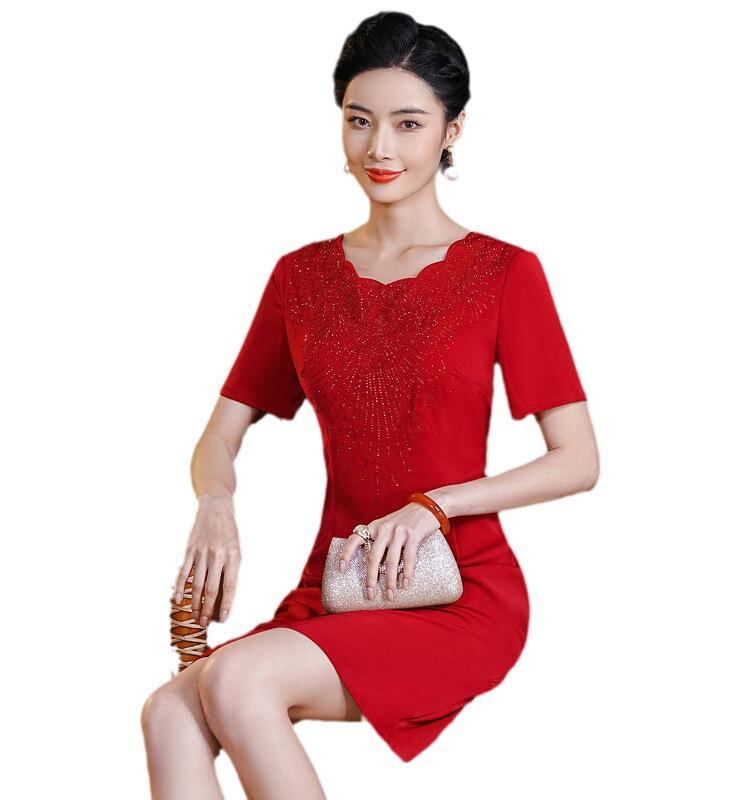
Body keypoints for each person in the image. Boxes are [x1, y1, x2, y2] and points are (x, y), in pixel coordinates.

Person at [141, 10, 599, 797]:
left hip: (459, 589)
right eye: (359, 121)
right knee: (167, 712)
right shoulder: (300, 279)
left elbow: (579, 461)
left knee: (238, 682)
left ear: (453, 131)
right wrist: (215, 503)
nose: (379, 147)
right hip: (340, 580)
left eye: (408, 123)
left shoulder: (504, 274)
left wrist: (435, 505)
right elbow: (219, 437)